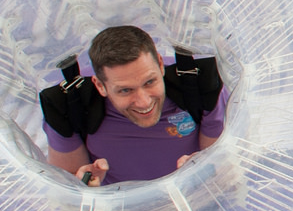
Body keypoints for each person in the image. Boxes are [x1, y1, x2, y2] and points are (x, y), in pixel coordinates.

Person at [42, 25, 224, 186]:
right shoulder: (69, 107)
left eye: (149, 82)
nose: (144, 102)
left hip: (194, 198)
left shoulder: (201, 87)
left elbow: (227, 175)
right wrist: (85, 185)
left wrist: (204, 168)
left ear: (160, 65)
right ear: (100, 86)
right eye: (125, 91)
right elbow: (66, 197)